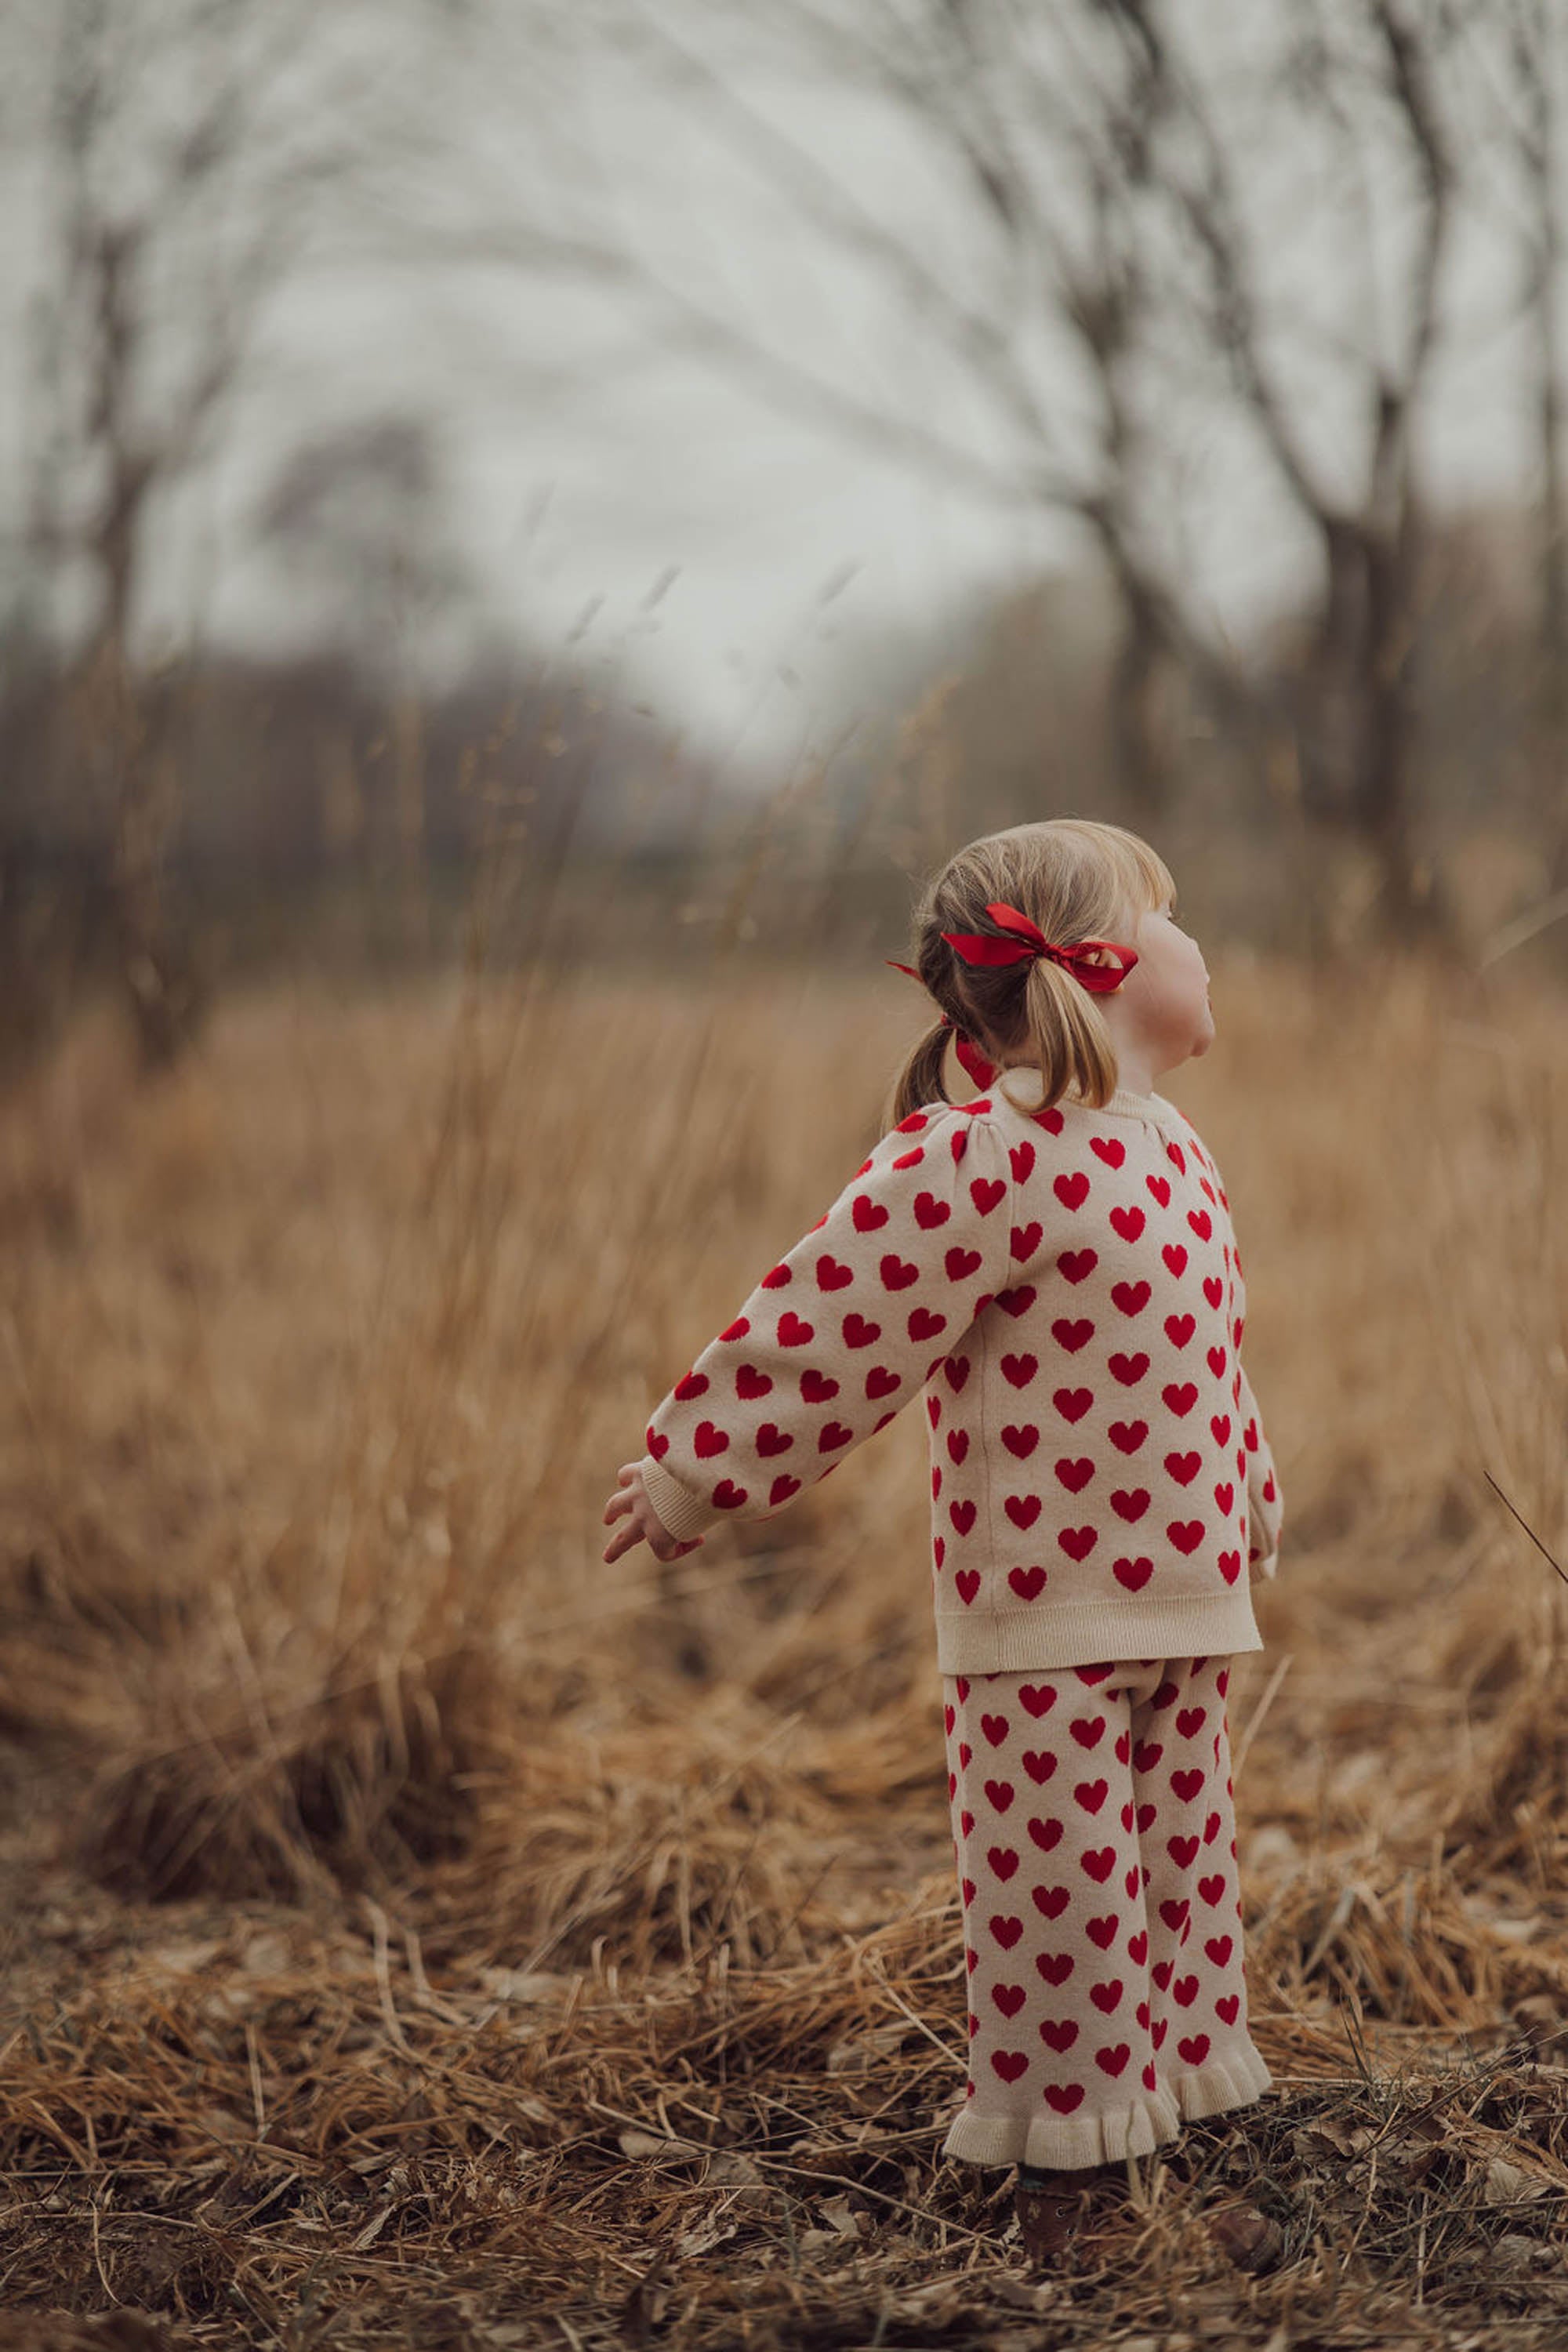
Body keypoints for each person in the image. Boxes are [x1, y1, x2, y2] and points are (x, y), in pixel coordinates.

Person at [601, 818, 1284, 2262]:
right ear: (1093, 970)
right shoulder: (985, 1158)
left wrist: (1250, 1487)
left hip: (1184, 1601)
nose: (1197, 942)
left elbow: (1209, 1357)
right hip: (1043, 1621)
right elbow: (829, 1326)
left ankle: (1165, 2140)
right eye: (1170, 919)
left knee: (1179, 1885)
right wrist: (689, 1470)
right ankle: (1070, 2193)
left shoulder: (1171, 1148)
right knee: (1064, 1898)